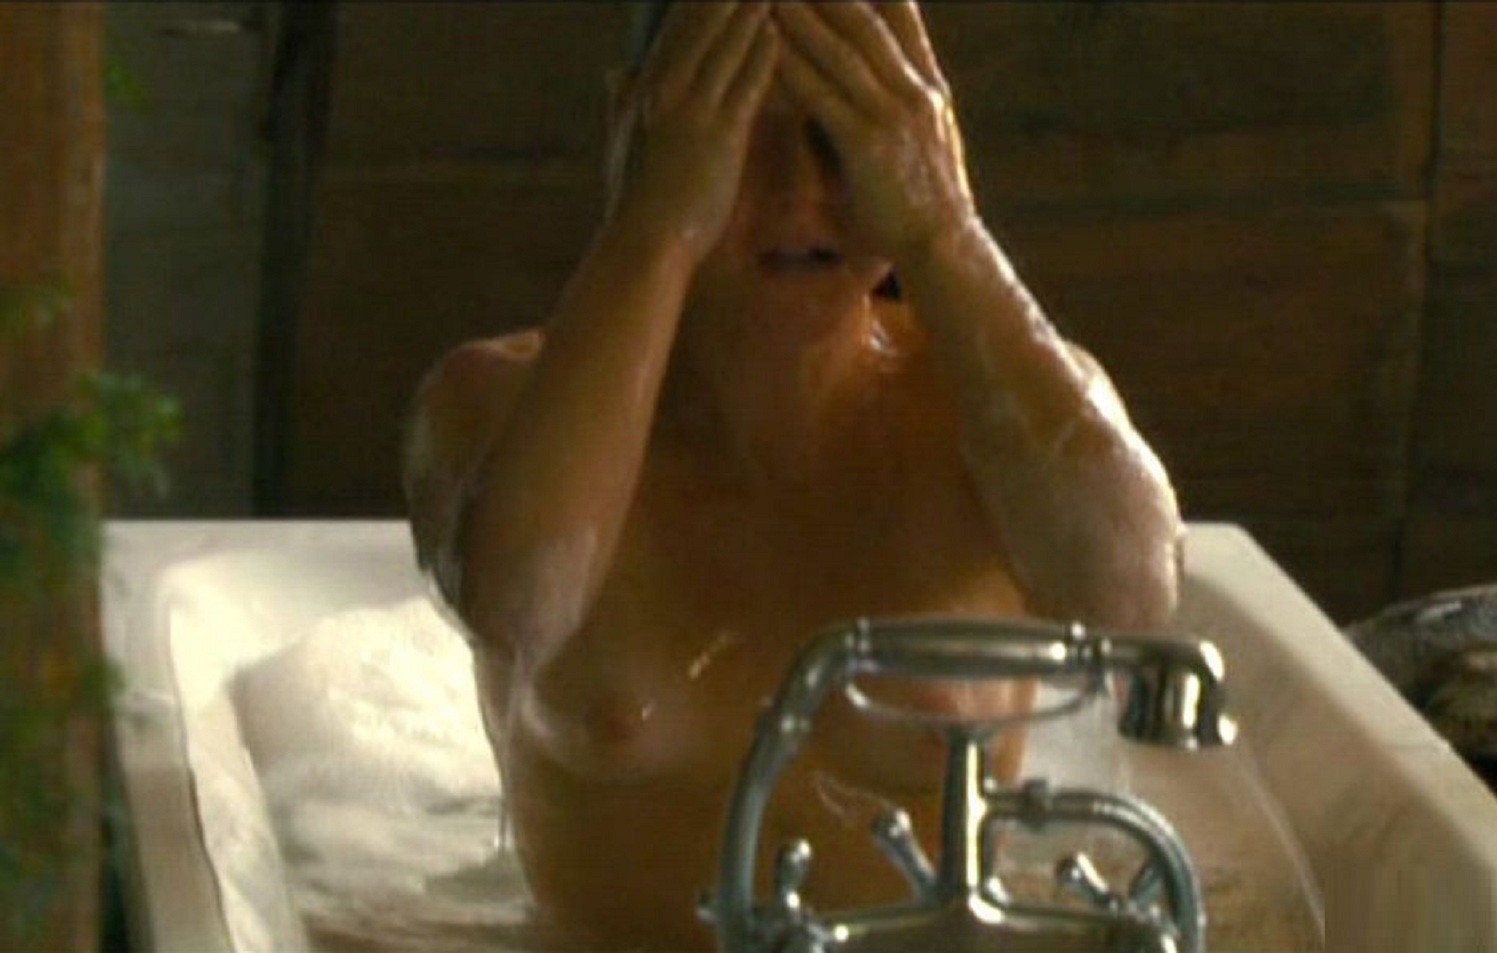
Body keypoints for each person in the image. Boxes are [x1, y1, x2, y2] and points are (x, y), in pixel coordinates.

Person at [402, 3, 1182, 947]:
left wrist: (939, 224)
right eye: (736, 132)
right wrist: (655, 227)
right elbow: (516, 600)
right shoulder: (494, 407)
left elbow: (1130, 598)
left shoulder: (993, 419)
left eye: (841, 135)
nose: (796, 195)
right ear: (637, 131)